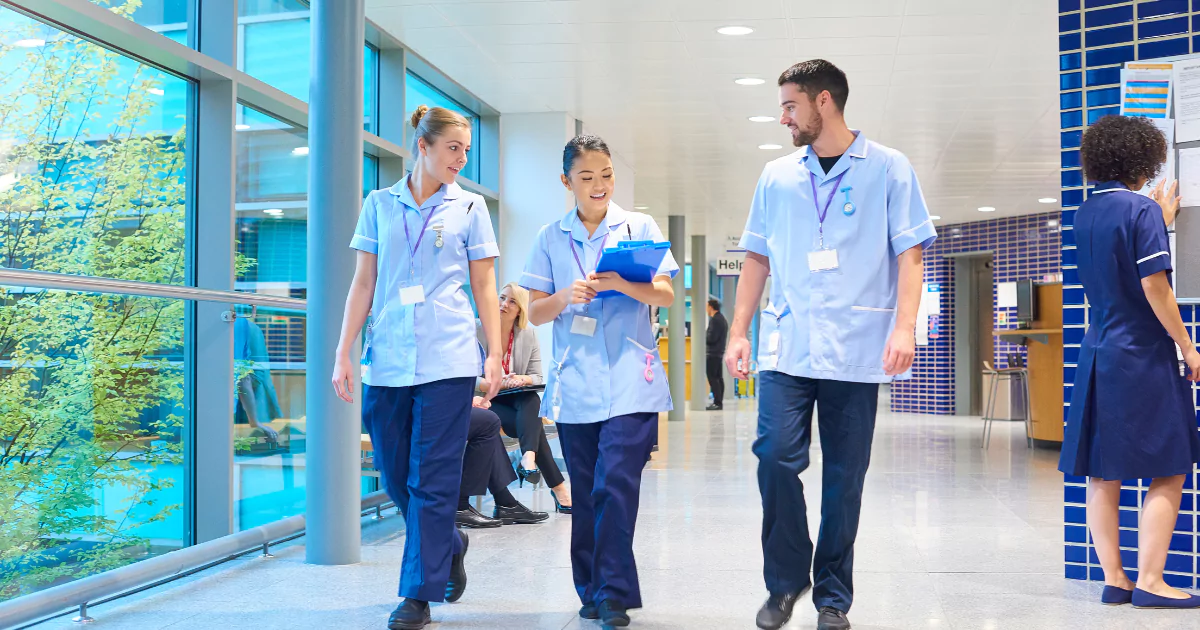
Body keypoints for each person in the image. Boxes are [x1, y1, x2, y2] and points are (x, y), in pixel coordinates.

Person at [724, 60, 935, 630]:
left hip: (856, 346)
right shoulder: (776, 175)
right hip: (788, 346)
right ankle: (787, 581)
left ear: (824, 102)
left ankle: (833, 597)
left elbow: (909, 254)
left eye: (790, 106)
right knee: (773, 459)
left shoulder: (888, 169)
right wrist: (739, 330)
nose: (784, 117)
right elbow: (756, 258)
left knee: (845, 478)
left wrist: (904, 326)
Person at [330, 105, 503, 630]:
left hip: (448, 357)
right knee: (396, 468)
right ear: (422, 147)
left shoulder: (470, 207)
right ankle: (449, 543)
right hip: (388, 358)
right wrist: (344, 350)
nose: (462, 158)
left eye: (467, 150)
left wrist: (494, 353)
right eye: (453, 148)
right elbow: (364, 283)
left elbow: (485, 286)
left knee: (432, 477)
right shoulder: (379, 204)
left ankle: (417, 596)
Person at [521, 135, 677, 628]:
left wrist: (621, 285)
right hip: (577, 384)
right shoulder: (550, 236)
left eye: (606, 175)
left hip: (633, 379)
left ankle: (611, 592)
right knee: (588, 490)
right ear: (567, 181)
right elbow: (534, 312)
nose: (599, 185)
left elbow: (667, 295)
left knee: (616, 484)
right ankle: (591, 588)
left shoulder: (639, 226)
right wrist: (567, 295)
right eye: (587, 177)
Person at [1058, 114, 1200, 609]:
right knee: (1171, 465)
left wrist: (1158, 221)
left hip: (1099, 351)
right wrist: (1187, 344)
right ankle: (1152, 581)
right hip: (1142, 353)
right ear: (1144, 160)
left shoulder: (1085, 213)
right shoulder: (1140, 211)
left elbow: (1116, 267)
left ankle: (1115, 579)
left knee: (1104, 471)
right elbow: (1153, 286)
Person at [476, 282, 573, 512]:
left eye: (511, 302)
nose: (503, 305)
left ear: (520, 309)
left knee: (530, 400)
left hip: (515, 400)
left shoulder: (527, 334)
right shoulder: (478, 330)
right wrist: (492, 383)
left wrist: (521, 378)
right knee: (534, 422)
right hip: (485, 400)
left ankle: (528, 458)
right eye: (501, 298)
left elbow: (536, 375)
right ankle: (556, 486)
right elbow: (464, 376)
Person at [457, 397, 549, 528]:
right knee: (489, 422)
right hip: (432, 410)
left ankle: (506, 503)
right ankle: (461, 504)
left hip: (449, 403)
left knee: (530, 403)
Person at [234, 316, 281, 443]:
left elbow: (244, 378)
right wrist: (255, 422)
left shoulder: (243, 327)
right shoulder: (244, 327)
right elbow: (244, 378)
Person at [705, 298, 728, 411]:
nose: (706, 309)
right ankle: (719, 401)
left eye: (707, 306)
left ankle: (717, 402)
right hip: (719, 352)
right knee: (718, 377)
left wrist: (705, 336)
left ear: (711, 307)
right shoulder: (722, 319)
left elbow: (711, 338)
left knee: (713, 378)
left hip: (713, 353)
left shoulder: (715, 320)